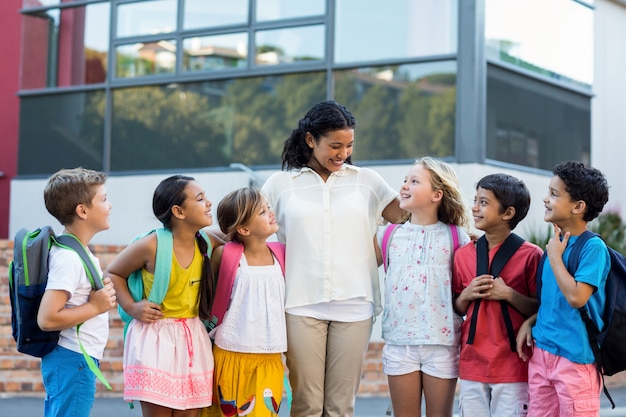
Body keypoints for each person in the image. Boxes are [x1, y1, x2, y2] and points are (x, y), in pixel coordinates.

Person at [261, 100, 405, 417]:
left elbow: (408, 217)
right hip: (300, 304)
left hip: (355, 305)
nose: (342, 153)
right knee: (307, 404)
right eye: (335, 145)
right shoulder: (280, 185)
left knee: (340, 407)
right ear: (311, 140)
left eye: (349, 145)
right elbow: (247, 227)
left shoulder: (366, 181)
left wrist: (462, 230)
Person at [107, 175, 223, 417]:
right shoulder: (151, 245)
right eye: (200, 198)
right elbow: (114, 272)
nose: (209, 203)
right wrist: (132, 307)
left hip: (193, 337)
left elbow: (237, 233)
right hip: (154, 338)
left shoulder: (207, 242)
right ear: (179, 211)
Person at [376, 157, 472, 417]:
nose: (404, 186)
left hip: (442, 344)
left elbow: (463, 291)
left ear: (437, 194)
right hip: (399, 343)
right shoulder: (388, 235)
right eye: (405, 180)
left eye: (414, 181)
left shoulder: (457, 237)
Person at [516, 161, 610, 417]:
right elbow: (552, 301)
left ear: (579, 207)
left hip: (575, 361)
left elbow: (576, 298)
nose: (546, 199)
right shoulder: (554, 246)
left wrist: (556, 257)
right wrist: (530, 323)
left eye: (554, 194)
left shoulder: (592, 248)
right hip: (542, 353)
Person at [452, 173, 543, 416]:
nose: (474, 207)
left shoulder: (531, 255)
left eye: (484, 202)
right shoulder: (463, 255)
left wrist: (509, 294)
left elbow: (540, 308)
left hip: (513, 366)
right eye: (475, 200)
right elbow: (458, 307)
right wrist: (467, 294)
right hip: (472, 364)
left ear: (508, 213)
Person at [37, 167, 117, 417]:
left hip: (73, 360)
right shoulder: (69, 259)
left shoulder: (75, 251)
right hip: (73, 360)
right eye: (103, 199)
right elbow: (47, 318)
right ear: (82, 211)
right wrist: (95, 306)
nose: (110, 205)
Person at [203, 188, 288, 417]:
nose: (270, 212)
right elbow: (207, 296)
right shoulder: (225, 255)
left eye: (268, 207)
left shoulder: (281, 254)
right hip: (231, 354)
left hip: (270, 357)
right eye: (262, 211)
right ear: (243, 229)